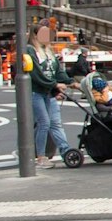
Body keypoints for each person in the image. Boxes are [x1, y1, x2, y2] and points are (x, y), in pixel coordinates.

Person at [25, 22, 73, 168]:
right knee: (44, 123)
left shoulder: (49, 51)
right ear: (35, 35)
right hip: (36, 92)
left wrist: (72, 82)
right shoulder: (30, 50)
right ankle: (40, 157)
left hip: (47, 93)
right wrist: (55, 85)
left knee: (51, 123)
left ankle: (59, 151)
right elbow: (36, 73)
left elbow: (57, 71)